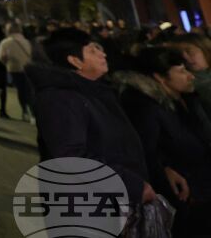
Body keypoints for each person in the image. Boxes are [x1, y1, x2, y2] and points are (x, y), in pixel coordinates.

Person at [26, 28, 155, 209]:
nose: (102, 54)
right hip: (89, 207)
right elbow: (72, 159)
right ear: (75, 61)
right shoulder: (60, 99)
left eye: (99, 49)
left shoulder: (93, 89)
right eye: (93, 51)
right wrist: (130, 185)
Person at [114, 46, 211, 235]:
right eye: (181, 71)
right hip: (188, 198)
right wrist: (165, 168)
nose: (190, 76)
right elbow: (147, 151)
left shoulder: (186, 98)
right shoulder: (147, 107)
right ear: (160, 77)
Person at [0, 22, 34, 121]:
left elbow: (1, 57)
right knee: (29, 89)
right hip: (28, 68)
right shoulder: (26, 41)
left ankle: (25, 110)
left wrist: (7, 62)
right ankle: (33, 111)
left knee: (21, 90)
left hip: (14, 69)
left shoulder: (5, 43)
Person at [169, 33, 211, 117]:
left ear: (205, 48)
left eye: (190, 52)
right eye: (180, 54)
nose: (185, 57)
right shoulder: (190, 81)